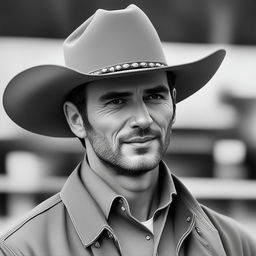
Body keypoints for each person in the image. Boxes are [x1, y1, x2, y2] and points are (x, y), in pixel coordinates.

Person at [1, 4, 255, 256]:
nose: (143, 119)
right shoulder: (24, 249)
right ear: (76, 119)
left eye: (155, 96)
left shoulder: (234, 244)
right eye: (117, 102)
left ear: (174, 105)